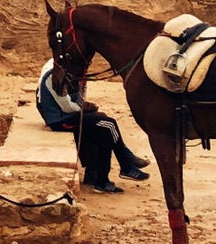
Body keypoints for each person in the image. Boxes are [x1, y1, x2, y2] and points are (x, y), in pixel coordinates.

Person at [36, 58, 150, 193]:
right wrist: (83, 109)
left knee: (105, 135)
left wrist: (83, 107)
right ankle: (126, 165)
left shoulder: (71, 76)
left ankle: (102, 181)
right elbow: (66, 107)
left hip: (69, 116)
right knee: (110, 124)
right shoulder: (53, 77)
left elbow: (75, 101)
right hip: (61, 120)